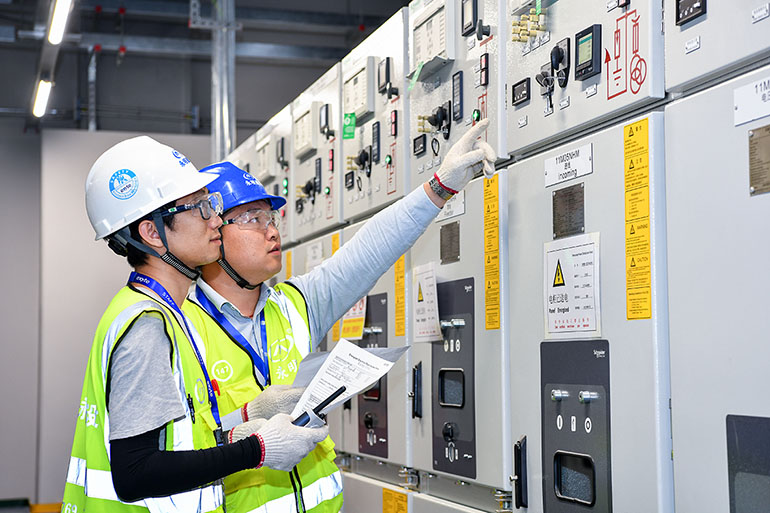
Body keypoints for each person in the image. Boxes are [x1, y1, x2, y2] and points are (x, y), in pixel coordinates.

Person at [182, 119, 496, 512]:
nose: (272, 231)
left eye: (272, 217)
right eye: (252, 219)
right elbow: (167, 457)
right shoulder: (180, 329)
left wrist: (440, 186)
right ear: (213, 234)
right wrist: (244, 425)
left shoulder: (296, 304)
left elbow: (368, 250)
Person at [62, 136, 330, 513]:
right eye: (201, 208)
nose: (217, 219)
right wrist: (257, 450)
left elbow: (177, 440)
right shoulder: (147, 325)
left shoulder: (167, 313)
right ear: (153, 233)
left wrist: (248, 418)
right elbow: (135, 472)